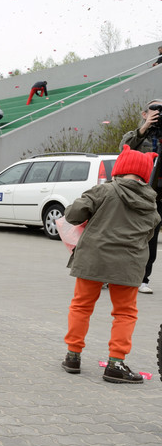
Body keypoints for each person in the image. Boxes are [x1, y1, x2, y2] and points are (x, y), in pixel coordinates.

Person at [61, 146, 160, 383]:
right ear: (144, 174)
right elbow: (149, 232)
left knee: (81, 306)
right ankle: (116, 363)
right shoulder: (151, 200)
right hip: (129, 262)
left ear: (119, 169)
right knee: (125, 313)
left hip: (93, 258)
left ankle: (73, 356)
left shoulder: (104, 190)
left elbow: (73, 215)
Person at [120, 99, 162, 293]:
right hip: (137, 193)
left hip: (158, 195)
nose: (157, 114)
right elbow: (124, 148)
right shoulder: (138, 136)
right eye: (154, 110)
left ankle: (143, 279)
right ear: (144, 114)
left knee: (151, 239)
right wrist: (145, 127)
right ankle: (115, 273)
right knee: (129, 235)